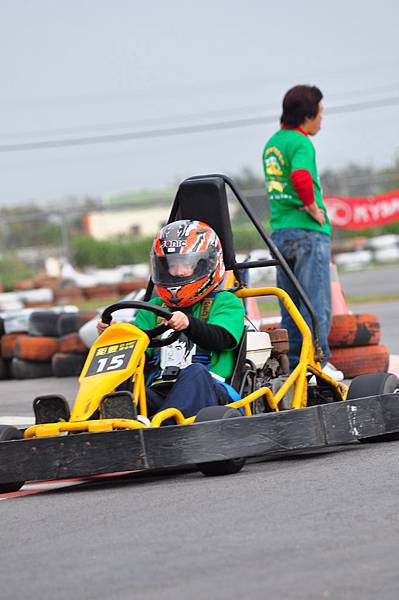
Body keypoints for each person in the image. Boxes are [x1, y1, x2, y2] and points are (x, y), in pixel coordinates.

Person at [97, 219, 245, 418]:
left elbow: (222, 338)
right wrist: (116, 338)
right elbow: (139, 357)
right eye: (171, 265)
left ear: (206, 263)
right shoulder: (153, 309)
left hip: (211, 390)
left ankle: (163, 426)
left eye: (185, 264)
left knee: (195, 372)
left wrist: (189, 324)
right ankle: (88, 424)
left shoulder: (226, 302)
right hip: (161, 390)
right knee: (122, 385)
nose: (177, 272)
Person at [262, 84, 343, 381]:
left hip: (281, 232)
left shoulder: (273, 143)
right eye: (320, 112)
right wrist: (312, 207)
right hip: (307, 233)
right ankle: (318, 363)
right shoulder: (301, 142)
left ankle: (297, 365)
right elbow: (300, 176)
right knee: (315, 303)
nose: (322, 118)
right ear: (308, 115)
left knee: (292, 306)